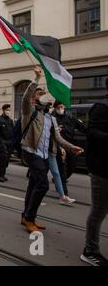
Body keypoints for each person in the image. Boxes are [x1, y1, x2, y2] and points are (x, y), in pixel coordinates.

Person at [20, 67, 84, 233]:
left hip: (43, 155)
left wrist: (71, 148)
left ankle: (25, 215)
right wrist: (36, 78)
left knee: (33, 184)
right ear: (35, 99)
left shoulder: (51, 118)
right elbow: (26, 97)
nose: (43, 96)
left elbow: (58, 138)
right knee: (42, 185)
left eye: (44, 95)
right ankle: (29, 218)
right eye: (40, 94)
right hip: (30, 152)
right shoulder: (29, 112)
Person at [81, 79, 108, 266]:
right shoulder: (101, 107)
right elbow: (91, 132)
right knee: (99, 210)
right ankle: (90, 250)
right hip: (102, 168)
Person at [52, 100, 86, 187]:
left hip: (70, 144)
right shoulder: (52, 118)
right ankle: (61, 187)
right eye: (58, 107)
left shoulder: (70, 117)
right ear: (55, 108)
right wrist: (55, 129)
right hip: (59, 145)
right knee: (62, 167)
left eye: (62, 107)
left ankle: (59, 179)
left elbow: (81, 127)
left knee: (72, 165)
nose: (60, 109)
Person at [0, 104, 14, 182]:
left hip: (9, 142)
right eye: (7, 110)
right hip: (1, 142)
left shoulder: (10, 121)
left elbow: (12, 132)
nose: (8, 111)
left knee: (6, 160)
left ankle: (3, 174)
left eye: (9, 110)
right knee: (3, 159)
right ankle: (0, 175)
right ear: (3, 110)